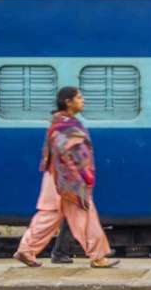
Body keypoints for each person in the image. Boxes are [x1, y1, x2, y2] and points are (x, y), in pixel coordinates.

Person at [13, 87, 118, 268]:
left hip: (53, 178)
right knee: (86, 215)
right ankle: (98, 256)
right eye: (79, 97)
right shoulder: (66, 125)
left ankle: (26, 249)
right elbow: (70, 155)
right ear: (68, 102)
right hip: (68, 180)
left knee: (48, 216)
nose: (82, 100)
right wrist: (82, 177)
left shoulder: (59, 122)